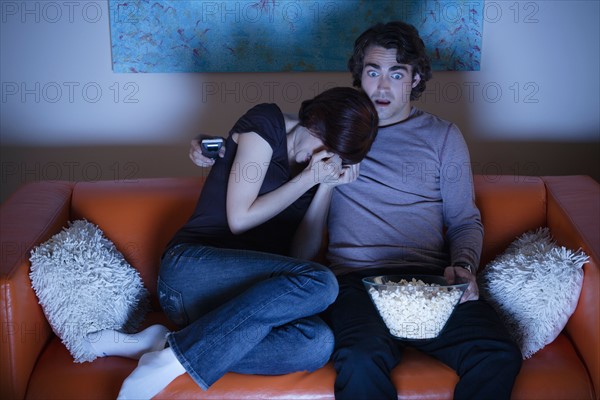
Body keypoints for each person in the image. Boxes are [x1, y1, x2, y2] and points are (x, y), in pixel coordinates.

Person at [189, 21, 522, 400]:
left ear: (414, 80)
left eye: (396, 74)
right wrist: (215, 147)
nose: (382, 86)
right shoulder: (337, 128)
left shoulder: (443, 137)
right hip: (356, 283)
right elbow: (276, 137)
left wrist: (463, 266)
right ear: (358, 76)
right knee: (361, 359)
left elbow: (464, 219)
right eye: (372, 72)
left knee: (498, 353)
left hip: (430, 283)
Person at [116, 86, 379, 399]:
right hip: (189, 274)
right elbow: (239, 219)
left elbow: (300, 256)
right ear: (314, 121)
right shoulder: (266, 123)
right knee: (324, 283)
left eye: (336, 158)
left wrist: (326, 187)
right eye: (324, 145)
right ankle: (169, 362)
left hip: (235, 306)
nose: (321, 158)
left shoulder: (317, 171)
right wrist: (307, 179)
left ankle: (168, 345)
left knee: (317, 343)